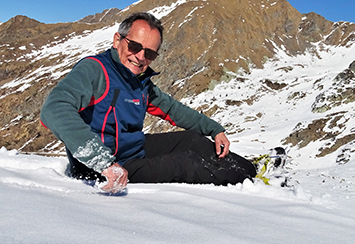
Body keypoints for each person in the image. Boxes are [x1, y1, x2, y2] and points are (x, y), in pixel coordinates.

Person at [40, 12, 256, 193]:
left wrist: (214, 129)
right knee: (186, 164)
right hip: (101, 166)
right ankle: (248, 180)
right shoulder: (95, 70)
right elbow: (54, 109)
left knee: (192, 140)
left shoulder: (138, 81)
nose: (141, 57)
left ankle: (249, 168)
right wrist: (103, 162)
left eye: (150, 53)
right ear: (117, 40)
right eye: (134, 46)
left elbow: (171, 109)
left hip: (130, 151)